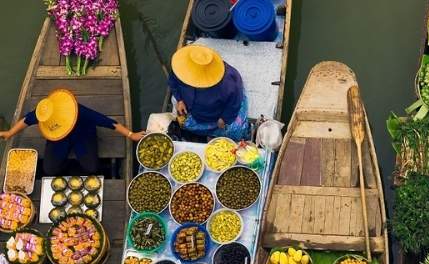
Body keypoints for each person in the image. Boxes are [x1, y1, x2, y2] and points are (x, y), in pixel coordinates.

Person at [0, 88, 144, 176]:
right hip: (58, 137)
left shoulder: (79, 111)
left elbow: (108, 122)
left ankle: (79, 167)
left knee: (91, 167)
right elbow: (26, 120)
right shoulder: (45, 111)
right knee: (49, 169)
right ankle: (66, 167)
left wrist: (131, 134)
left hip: (82, 135)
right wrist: (10, 133)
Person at [168, 45, 249, 141]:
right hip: (194, 112)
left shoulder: (229, 80)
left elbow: (234, 101)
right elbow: (173, 81)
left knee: (234, 131)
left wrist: (224, 118)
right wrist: (179, 99)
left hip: (214, 114)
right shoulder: (181, 68)